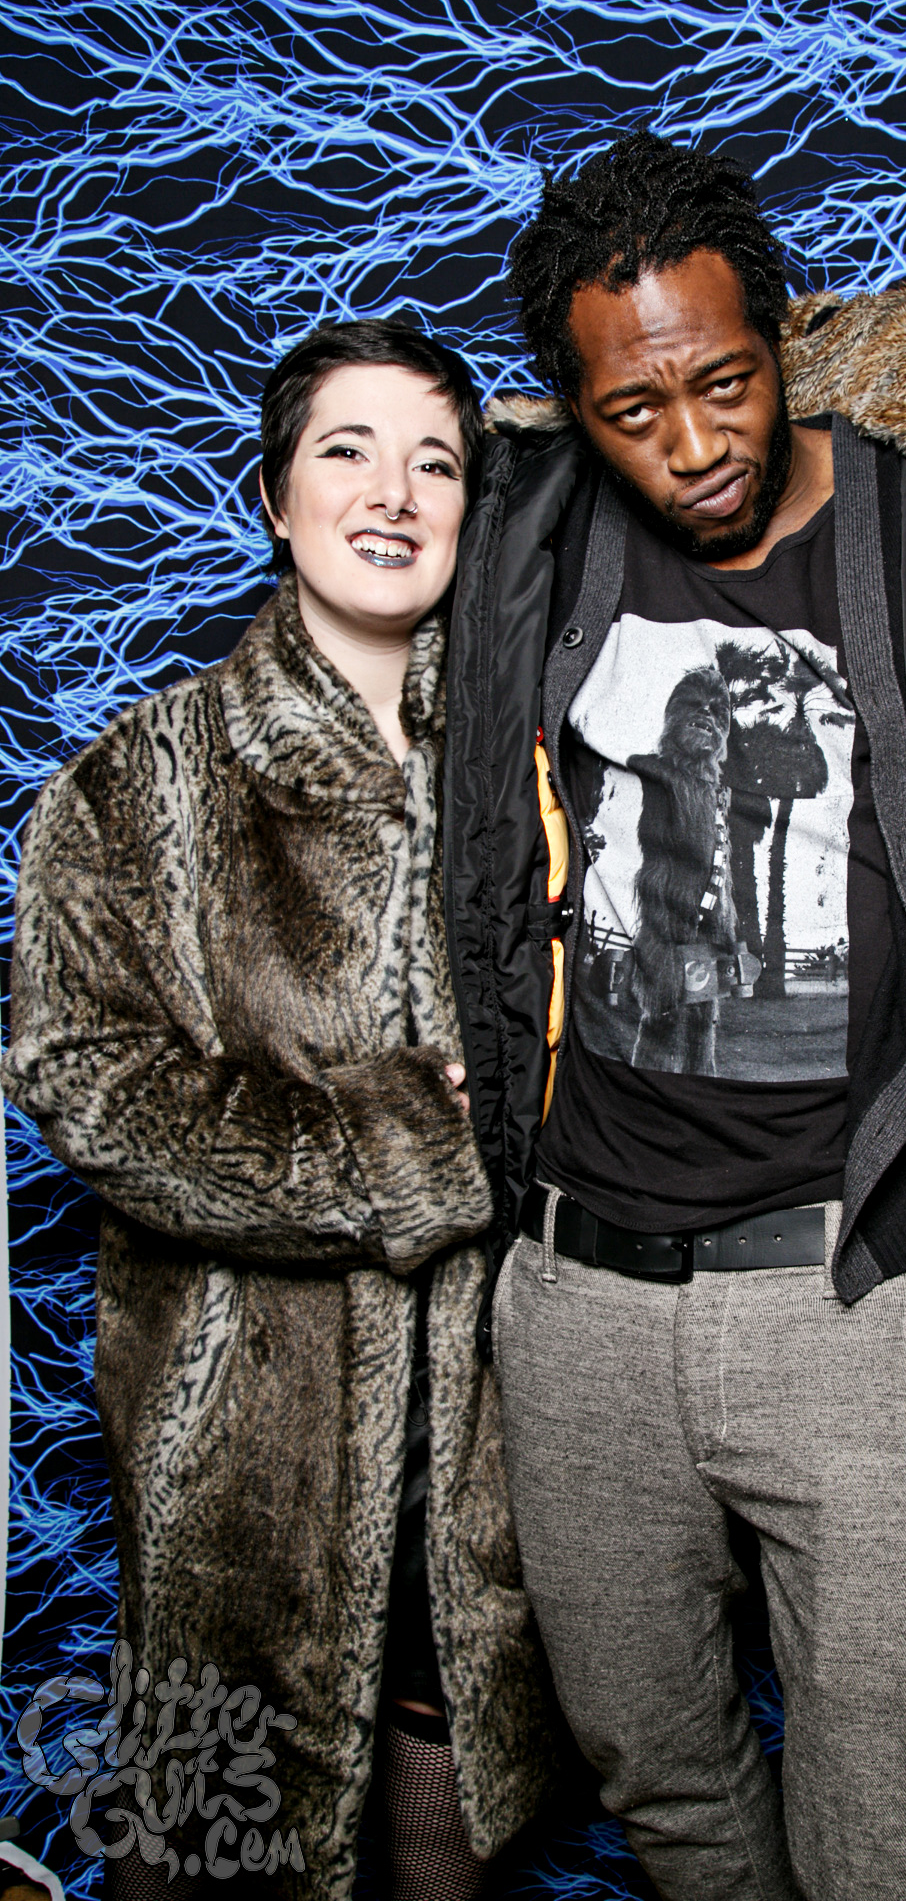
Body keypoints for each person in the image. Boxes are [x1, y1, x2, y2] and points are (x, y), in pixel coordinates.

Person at [440, 131, 906, 1900]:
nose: (694, 443)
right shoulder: (525, 532)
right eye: (634, 411)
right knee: (659, 1782)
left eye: (722, 382)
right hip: (579, 1298)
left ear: (786, 336)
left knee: (895, 1817)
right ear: (573, 412)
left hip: (860, 1282)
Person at [3, 321, 555, 1900]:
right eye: (346, 451)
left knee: (456, 1803)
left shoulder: (543, 769)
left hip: (497, 1438)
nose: (393, 493)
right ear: (273, 494)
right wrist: (415, 1145)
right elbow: (87, 1078)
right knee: (210, 1843)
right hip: (236, 1458)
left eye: (436, 463)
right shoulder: (142, 778)